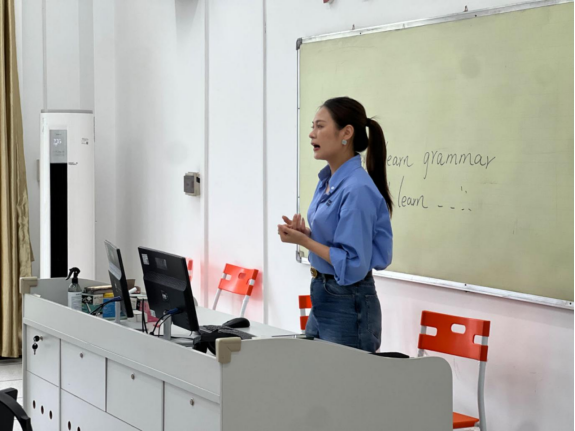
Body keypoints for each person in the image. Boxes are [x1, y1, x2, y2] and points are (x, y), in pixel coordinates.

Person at [278, 97, 393, 353]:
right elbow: (336, 242)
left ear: (346, 133)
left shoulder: (357, 188)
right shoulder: (327, 181)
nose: (312, 134)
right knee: (317, 373)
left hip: (348, 298)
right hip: (324, 291)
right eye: (312, 126)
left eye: (320, 126)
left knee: (343, 378)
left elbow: (352, 263)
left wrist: (304, 242)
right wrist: (306, 234)